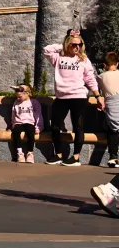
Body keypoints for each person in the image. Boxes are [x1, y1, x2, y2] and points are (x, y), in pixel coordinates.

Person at [44, 29, 103, 166]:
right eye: (74, 45)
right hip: (61, 97)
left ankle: (76, 157)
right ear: (67, 45)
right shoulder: (58, 57)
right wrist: (65, 45)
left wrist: (98, 96)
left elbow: (90, 79)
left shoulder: (84, 60)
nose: (77, 47)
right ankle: (58, 155)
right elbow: (47, 49)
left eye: (80, 45)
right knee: (55, 126)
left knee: (78, 127)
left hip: (78, 97)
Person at [8, 84, 43, 164]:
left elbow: (38, 115)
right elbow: (13, 114)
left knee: (31, 133)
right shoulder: (16, 102)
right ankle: (20, 153)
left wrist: (39, 127)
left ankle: (30, 153)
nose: (18, 98)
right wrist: (12, 124)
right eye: (17, 96)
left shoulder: (34, 102)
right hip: (18, 123)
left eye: (20, 96)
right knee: (16, 132)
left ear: (27, 93)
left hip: (29, 122)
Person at [100, 52, 119, 168]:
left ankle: (113, 156)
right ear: (117, 64)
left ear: (104, 64)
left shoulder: (101, 76)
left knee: (112, 130)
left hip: (111, 104)